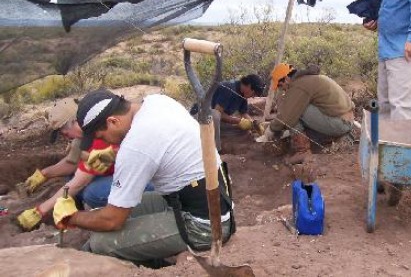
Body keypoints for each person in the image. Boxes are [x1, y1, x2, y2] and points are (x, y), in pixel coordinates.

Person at [53, 89, 234, 265]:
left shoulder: (135, 146)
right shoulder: (157, 102)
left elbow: (112, 220)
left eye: (102, 136)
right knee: (98, 214)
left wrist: (71, 217)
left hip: (205, 226)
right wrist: (111, 155)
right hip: (205, 197)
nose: (105, 142)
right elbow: (163, 145)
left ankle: (156, 267)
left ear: (113, 121)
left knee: (101, 242)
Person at [17, 98, 116, 231]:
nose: (64, 136)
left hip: (133, 181)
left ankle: (108, 217)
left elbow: (79, 181)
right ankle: (83, 212)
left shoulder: (100, 134)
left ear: (76, 121)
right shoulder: (80, 138)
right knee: (72, 179)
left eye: (63, 131)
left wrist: (39, 211)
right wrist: (43, 174)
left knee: (92, 192)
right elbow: (72, 163)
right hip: (110, 174)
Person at [262, 63, 355, 165]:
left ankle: (303, 152)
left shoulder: (298, 85)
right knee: (295, 108)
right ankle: (328, 139)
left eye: (280, 85)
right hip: (346, 120)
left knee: (295, 111)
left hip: (340, 123)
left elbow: (287, 116)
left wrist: (271, 129)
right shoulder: (307, 79)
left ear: (287, 78)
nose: (281, 89)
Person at [195, 74, 265, 152]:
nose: (253, 97)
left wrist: (254, 124)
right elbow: (218, 113)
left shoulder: (243, 94)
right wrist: (239, 121)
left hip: (214, 121)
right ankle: (215, 150)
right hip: (199, 117)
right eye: (254, 94)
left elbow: (244, 113)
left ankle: (220, 138)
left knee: (241, 130)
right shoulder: (228, 88)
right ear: (249, 86)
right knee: (216, 116)